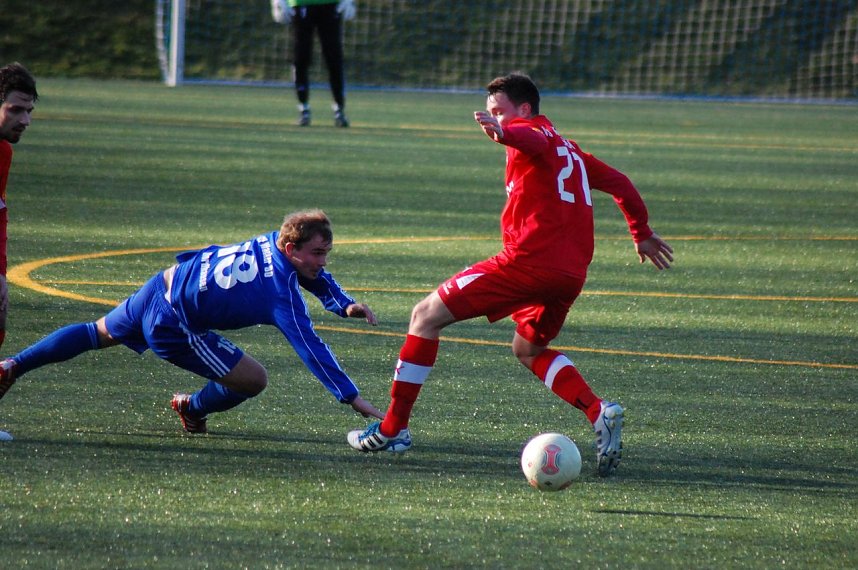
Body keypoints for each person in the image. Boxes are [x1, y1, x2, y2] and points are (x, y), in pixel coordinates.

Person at [347, 74, 674, 476]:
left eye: (498, 110)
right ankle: (597, 410)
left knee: (424, 316)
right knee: (528, 349)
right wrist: (640, 233)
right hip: (569, 275)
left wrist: (505, 132)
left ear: (524, 109)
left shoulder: (527, 132)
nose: (491, 116)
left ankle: (393, 428)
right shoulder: (569, 149)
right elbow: (621, 183)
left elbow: (528, 139)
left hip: (527, 263)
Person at [0, 210, 389, 435]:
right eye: (318, 252)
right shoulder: (280, 294)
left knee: (95, 332)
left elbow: (312, 273)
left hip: (164, 283)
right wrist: (351, 397)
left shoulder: (273, 240)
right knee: (254, 380)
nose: (323, 260)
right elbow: (310, 347)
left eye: (327, 252)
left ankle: (12, 365)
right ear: (291, 248)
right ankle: (193, 408)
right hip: (175, 323)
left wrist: (343, 304)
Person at [0, 63, 38, 351]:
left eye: (28, 111)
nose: (25, 120)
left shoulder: (3, 152)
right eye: (15, 110)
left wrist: (1, 274)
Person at [271, 0, 356, 127]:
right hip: (301, 4)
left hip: (330, 4)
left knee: (333, 57)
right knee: (301, 57)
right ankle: (303, 108)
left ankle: (339, 109)